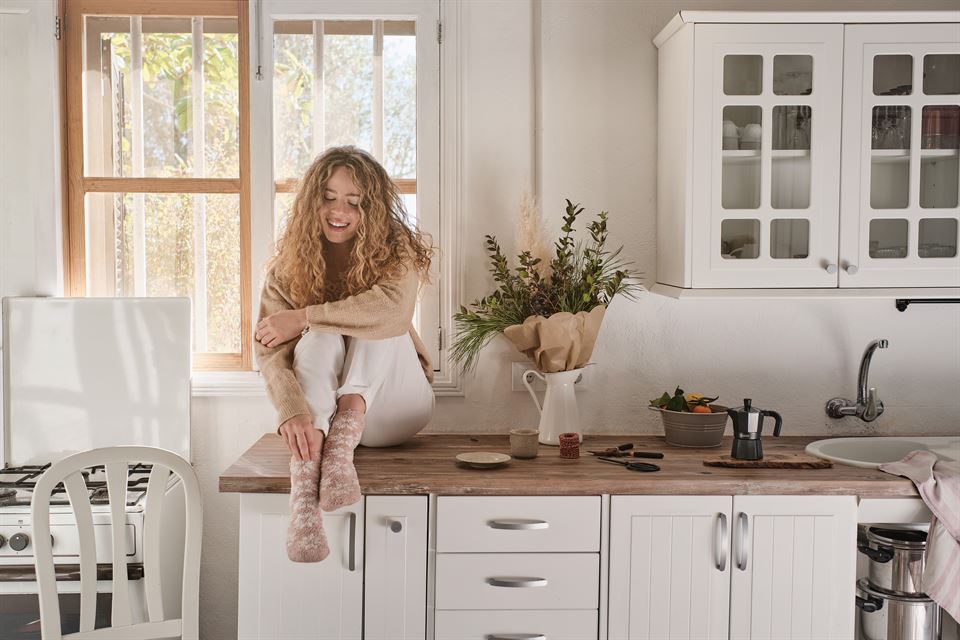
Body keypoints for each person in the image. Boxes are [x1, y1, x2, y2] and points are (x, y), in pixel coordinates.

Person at [254, 146, 434, 562]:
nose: (340, 210)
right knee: (318, 338)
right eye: (329, 197)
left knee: (378, 321)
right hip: (323, 420)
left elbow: (393, 312)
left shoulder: (397, 248)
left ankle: (338, 453)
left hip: (394, 409)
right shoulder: (288, 266)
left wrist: (304, 317)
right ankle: (306, 496)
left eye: (354, 202)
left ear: (371, 209)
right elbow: (270, 350)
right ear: (312, 200)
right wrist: (291, 410)